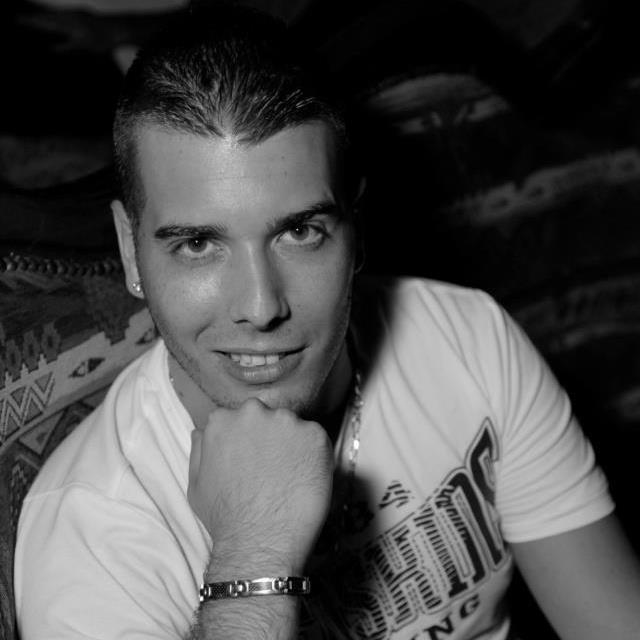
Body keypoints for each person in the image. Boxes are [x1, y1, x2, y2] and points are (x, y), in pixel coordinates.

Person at [13, 4, 640, 639]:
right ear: (130, 250)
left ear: (355, 230)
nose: (262, 307)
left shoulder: (465, 339)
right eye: (198, 245)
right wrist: (254, 555)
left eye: (300, 232)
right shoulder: (91, 542)